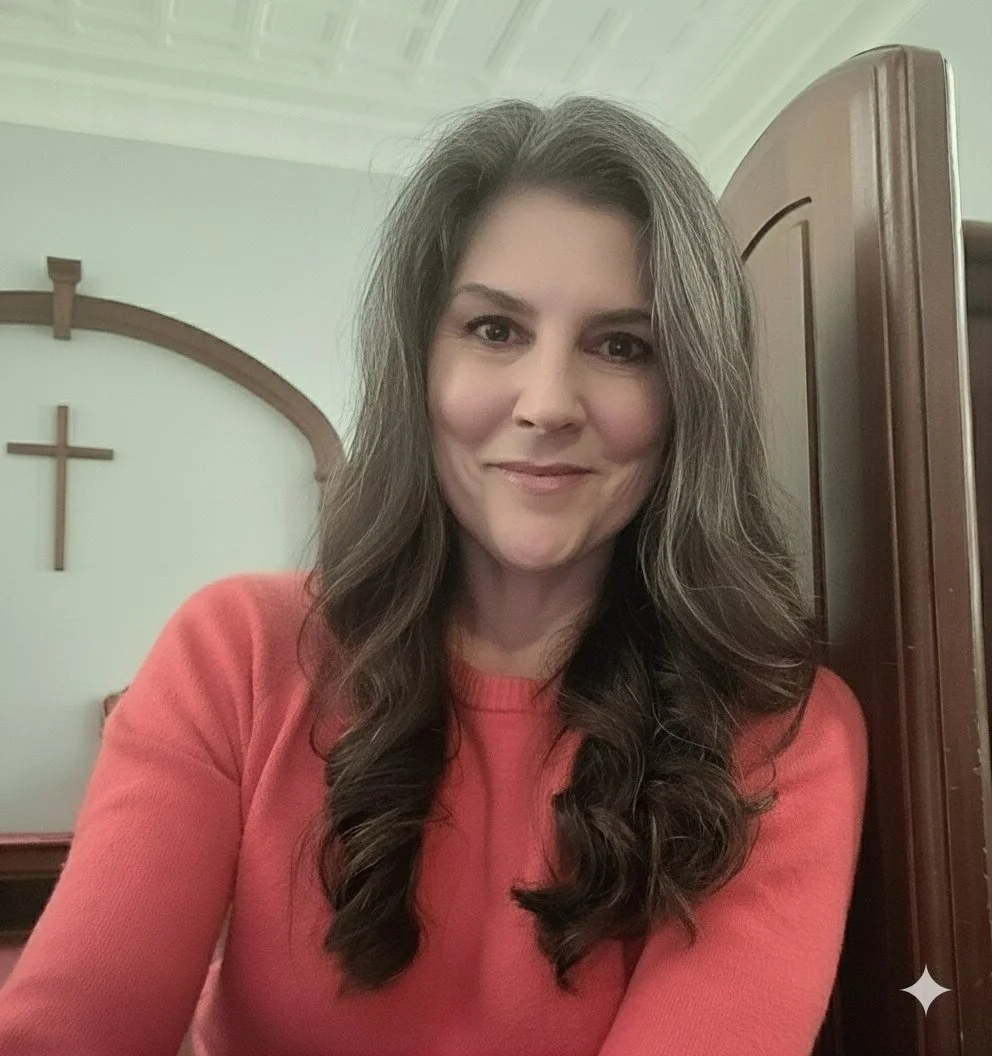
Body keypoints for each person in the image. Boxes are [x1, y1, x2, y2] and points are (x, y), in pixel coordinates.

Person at [0, 96, 868, 1056]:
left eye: (623, 346)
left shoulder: (781, 734)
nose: (546, 404)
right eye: (495, 330)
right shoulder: (236, 655)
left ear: (687, 397)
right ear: (417, 364)